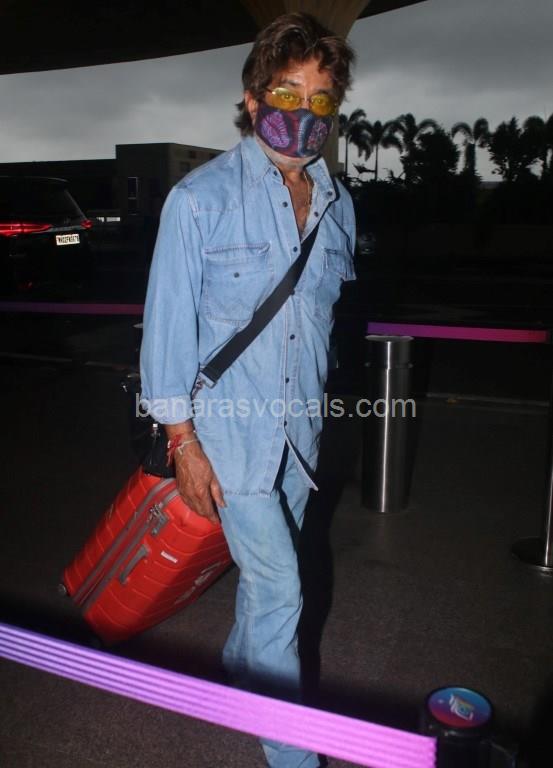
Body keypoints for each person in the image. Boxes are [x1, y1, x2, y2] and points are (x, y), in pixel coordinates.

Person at [140, 12, 356, 768]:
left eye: (321, 98)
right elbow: (166, 334)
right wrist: (183, 444)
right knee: (281, 588)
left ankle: (239, 669)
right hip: (229, 434)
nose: (304, 112)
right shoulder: (199, 199)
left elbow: (317, 325)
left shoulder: (337, 204)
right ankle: (292, 755)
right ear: (253, 96)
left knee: (270, 584)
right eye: (287, 92)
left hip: (299, 435)